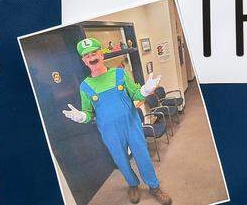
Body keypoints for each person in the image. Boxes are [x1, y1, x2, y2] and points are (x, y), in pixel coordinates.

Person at [61, 38, 172, 205]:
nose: (92, 57)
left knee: (142, 156)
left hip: (131, 124)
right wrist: (82, 117)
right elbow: (89, 113)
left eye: (94, 53)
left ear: (101, 54)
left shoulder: (119, 73)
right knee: (120, 159)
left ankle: (154, 186)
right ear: (84, 61)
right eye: (87, 56)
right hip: (109, 131)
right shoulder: (85, 86)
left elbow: (136, 94)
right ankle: (133, 184)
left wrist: (146, 90)